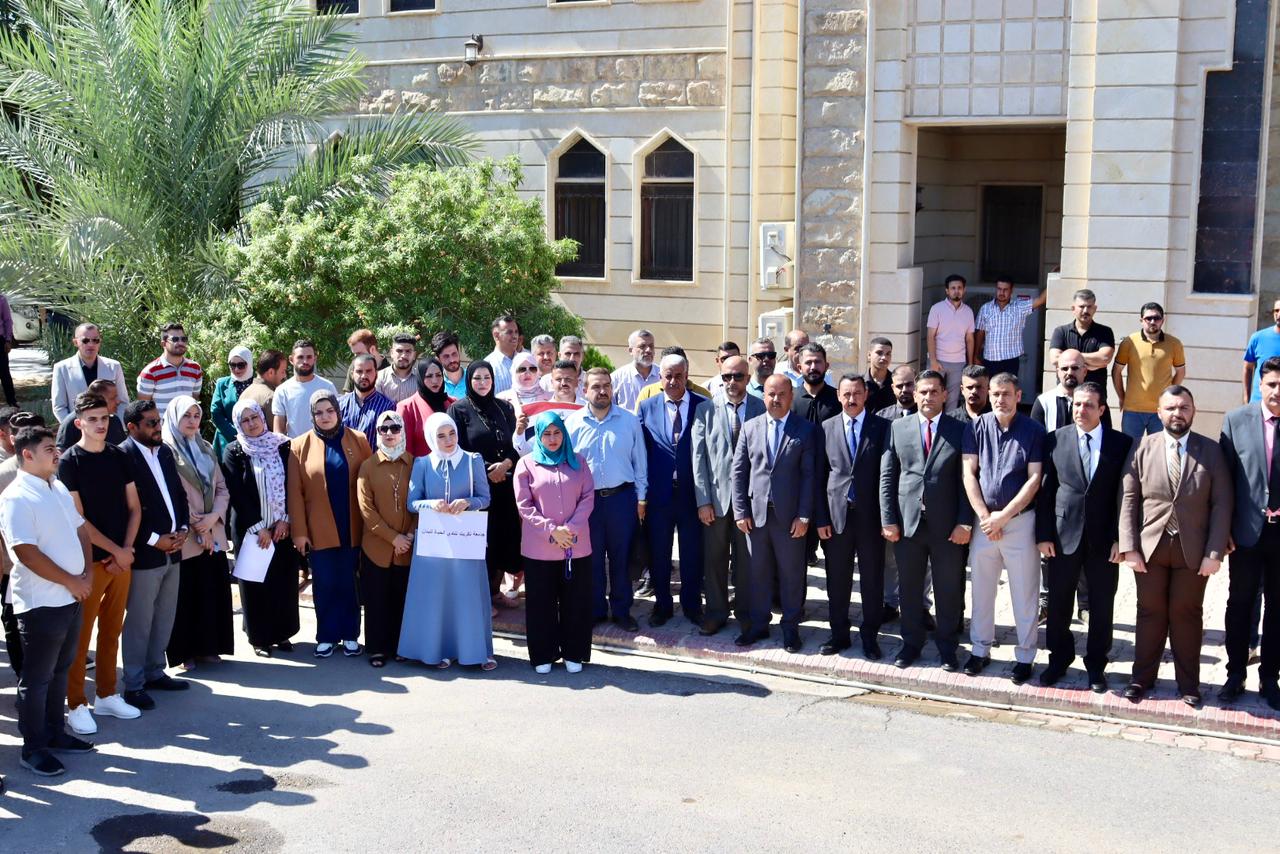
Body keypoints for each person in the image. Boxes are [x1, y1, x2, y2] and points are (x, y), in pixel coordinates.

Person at [1120, 385, 1231, 706]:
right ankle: (1141, 679)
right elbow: (1128, 498)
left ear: (1193, 411)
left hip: (1193, 551)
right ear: (1159, 413)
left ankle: (1189, 685)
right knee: (1149, 613)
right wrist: (1129, 546)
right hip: (1150, 548)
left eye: (1183, 408)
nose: (1177, 414)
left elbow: (1222, 503)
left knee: (1187, 615)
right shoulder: (1141, 447)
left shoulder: (1211, 451)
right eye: (1170, 408)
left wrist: (1214, 553)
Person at [1, 425, 96, 777]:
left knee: (61, 670)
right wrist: (72, 580)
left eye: (56, 447)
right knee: (37, 678)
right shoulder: (16, 496)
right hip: (41, 603)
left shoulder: (55, 487)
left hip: (72, 597)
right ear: (27, 454)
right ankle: (33, 748)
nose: (57, 453)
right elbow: (25, 552)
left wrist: (87, 574)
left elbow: (81, 530)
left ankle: (56, 732)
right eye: (48, 449)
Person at [1035, 382, 1134, 692]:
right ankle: (1058, 660)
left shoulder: (1121, 443)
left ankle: (1096, 666)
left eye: (1089, 405)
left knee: (1102, 605)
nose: (1081, 410)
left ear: (1102, 409)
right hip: (1063, 536)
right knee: (1059, 602)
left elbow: (1126, 495)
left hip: (1104, 540)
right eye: (1077, 404)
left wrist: (1121, 539)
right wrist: (1043, 535)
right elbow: (1046, 490)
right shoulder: (1055, 439)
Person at [58, 393, 142, 736]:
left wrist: (126, 549)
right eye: (92, 419)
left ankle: (107, 694)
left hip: (121, 559)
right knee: (81, 638)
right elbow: (78, 519)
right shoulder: (69, 462)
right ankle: (76, 703)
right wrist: (116, 551)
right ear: (79, 422)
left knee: (112, 630)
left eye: (104, 418)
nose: (100, 424)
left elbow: (134, 507)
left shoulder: (119, 456)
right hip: (88, 563)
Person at [880, 370, 972, 671]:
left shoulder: (960, 430)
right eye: (923, 392)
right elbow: (888, 476)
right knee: (909, 589)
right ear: (915, 394)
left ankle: (947, 648)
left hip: (947, 527)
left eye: (934, 391)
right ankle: (911, 644)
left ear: (945, 394)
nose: (928, 397)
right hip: (908, 524)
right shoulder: (898, 428)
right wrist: (888, 519)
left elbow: (967, 480)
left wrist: (964, 522)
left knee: (947, 590)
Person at [961, 372, 1045, 683]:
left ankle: (1025, 656)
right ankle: (980, 650)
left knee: (1024, 592)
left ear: (1018, 395)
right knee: (982, 590)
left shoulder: (1034, 431)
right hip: (984, 523)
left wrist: (1003, 517)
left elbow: (1034, 479)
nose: (1000, 399)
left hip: (1020, 523)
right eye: (995, 394)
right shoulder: (976, 427)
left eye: (1006, 393)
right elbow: (969, 474)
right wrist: (986, 517)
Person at [400, 412, 496, 670]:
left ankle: (477, 652)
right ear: (432, 438)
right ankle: (439, 650)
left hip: (466, 540)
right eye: (441, 436)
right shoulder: (422, 463)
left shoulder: (473, 460)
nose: (448, 440)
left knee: (467, 595)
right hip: (434, 542)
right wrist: (431, 504)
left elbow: (485, 498)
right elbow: (412, 503)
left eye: (452, 433)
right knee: (437, 597)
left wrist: (468, 502)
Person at [731, 374, 818, 652]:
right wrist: (740, 510)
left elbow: (810, 477)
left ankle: (790, 628)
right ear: (763, 396)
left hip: (790, 518)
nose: (776, 399)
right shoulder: (750, 427)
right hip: (756, 517)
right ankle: (759, 624)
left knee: (792, 575)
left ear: (791, 396)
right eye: (771, 394)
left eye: (781, 394)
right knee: (758, 573)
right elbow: (739, 471)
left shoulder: (805, 430)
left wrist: (804, 516)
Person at [287, 390, 371, 658]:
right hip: (318, 528)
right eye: (318, 412)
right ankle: (326, 635)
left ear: (338, 411)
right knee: (324, 583)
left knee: (349, 582)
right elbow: (295, 493)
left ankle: (350, 635)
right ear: (312, 416)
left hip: (352, 525)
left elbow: (369, 481)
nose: (325, 417)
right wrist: (299, 532)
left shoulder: (358, 439)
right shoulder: (299, 446)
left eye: (329, 411)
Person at [119, 400, 191, 711]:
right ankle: (134, 684)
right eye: (150, 423)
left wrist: (184, 527)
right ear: (131, 427)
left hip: (174, 548)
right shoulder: (122, 457)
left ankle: (154, 671)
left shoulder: (164, 452)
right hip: (146, 554)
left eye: (158, 421)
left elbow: (178, 494)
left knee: (164, 615)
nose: (157, 427)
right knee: (140, 620)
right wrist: (153, 540)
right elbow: (123, 510)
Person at [1218, 357, 1280, 709]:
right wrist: (1224, 529)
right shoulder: (1236, 420)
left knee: (1277, 609)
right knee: (1240, 604)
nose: (1277, 391)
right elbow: (1224, 480)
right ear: (1260, 385)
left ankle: (1270, 677)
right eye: (1272, 384)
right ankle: (1235, 673)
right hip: (1245, 533)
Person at [565, 368, 648, 631]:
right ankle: (596, 609)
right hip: (586, 503)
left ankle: (622, 611)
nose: (602, 391)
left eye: (606, 386)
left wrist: (641, 499)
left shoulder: (629, 421)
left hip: (621, 500)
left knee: (621, 557)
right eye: (596, 386)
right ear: (584, 390)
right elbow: (567, 467)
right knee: (591, 558)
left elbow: (640, 462)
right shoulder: (572, 424)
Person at [514, 411, 595, 674]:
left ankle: (574, 652)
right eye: (546, 434)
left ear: (564, 433)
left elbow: (588, 498)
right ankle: (543, 654)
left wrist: (569, 529)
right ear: (538, 436)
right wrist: (552, 530)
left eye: (557, 432)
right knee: (541, 604)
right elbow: (524, 506)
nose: (552, 439)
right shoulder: (526, 464)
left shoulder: (578, 462)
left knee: (576, 602)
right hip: (539, 549)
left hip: (576, 545)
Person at [816, 374, 890, 659]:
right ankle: (839, 634)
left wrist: (887, 519)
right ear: (838, 396)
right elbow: (819, 476)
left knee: (872, 580)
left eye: (857, 393)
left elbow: (888, 476)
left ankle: (870, 636)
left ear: (865, 395)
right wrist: (821, 518)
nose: (851, 399)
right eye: (846, 394)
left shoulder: (882, 427)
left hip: (871, 518)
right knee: (837, 579)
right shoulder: (826, 427)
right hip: (837, 516)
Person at [221, 399, 299, 657]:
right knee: (255, 584)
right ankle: (260, 638)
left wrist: (285, 519)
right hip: (251, 530)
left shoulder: (282, 445)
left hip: (282, 528)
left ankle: (282, 633)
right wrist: (258, 527)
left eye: (254, 417)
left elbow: (293, 484)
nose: (251, 424)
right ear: (238, 424)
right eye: (245, 420)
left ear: (262, 417)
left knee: (282, 582)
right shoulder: (235, 451)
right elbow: (237, 492)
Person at [160, 395, 233, 670]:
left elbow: (222, 487)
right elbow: (173, 493)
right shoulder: (166, 451)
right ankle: (185, 653)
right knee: (185, 593)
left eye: (196, 416)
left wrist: (213, 518)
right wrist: (198, 525)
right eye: (186, 416)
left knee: (210, 590)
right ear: (174, 417)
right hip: (186, 533)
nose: (192, 421)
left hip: (212, 528)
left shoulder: (205, 447)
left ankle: (208, 647)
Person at [691, 355, 762, 636]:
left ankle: (745, 612)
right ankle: (716, 612)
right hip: (716, 501)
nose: (732, 382)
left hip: (749, 501)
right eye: (726, 377)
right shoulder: (705, 409)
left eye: (738, 376)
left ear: (748, 378)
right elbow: (698, 458)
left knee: (747, 561)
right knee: (714, 560)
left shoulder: (760, 407)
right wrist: (703, 501)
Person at [637, 353, 706, 627]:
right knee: (659, 553)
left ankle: (692, 605)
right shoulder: (646, 407)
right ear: (660, 377)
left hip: (692, 493)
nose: (674, 381)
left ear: (687, 376)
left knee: (692, 553)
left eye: (679, 375)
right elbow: (640, 451)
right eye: (668, 376)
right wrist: (641, 495)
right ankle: (662, 605)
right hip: (659, 495)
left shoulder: (704, 406)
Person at [448, 361, 521, 611]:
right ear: (469, 381)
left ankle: (495, 591)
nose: (482, 383)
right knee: (482, 544)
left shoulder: (504, 407)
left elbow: (517, 443)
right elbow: (457, 449)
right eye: (477, 378)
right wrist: (489, 470)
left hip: (505, 485)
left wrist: (506, 464)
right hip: (477, 487)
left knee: (503, 539)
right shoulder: (458, 410)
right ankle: (480, 599)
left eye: (486, 377)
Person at [355, 410, 416, 668]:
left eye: (395, 428)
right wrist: (393, 538)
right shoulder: (367, 466)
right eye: (384, 429)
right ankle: (377, 649)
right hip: (377, 545)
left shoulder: (414, 464)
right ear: (377, 433)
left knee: (401, 599)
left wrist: (409, 535)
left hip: (407, 546)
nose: (390, 433)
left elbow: (421, 502)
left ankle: (400, 647)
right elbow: (366, 510)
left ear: (402, 431)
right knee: (377, 599)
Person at [1112, 302, 1186, 440]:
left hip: (1161, 410)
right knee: (1130, 449)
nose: (1153, 321)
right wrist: (1122, 397)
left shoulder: (1174, 343)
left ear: (1162, 320)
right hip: (1132, 410)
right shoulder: (1129, 342)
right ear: (1141, 320)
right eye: (1148, 318)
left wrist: (1169, 395)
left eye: (1156, 318)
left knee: (1159, 450)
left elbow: (1180, 372)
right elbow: (1116, 371)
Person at [51, 322, 129, 422]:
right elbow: (59, 407)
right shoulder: (62, 369)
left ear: (100, 342)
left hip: (109, 427)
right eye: (85, 340)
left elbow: (123, 402)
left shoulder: (114, 367)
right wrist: (76, 427)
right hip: (77, 428)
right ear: (75, 342)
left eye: (95, 340)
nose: (91, 344)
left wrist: (115, 425)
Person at [974, 276, 1046, 378]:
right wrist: (976, 355)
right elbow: (980, 333)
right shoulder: (985, 308)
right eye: (999, 289)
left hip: (1010, 360)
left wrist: (1054, 277)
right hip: (990, 359)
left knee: (1009, 387)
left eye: (1005, 290)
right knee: (990, 387)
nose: (1002, 292)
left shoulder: (1019, 307)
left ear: (1011, 291)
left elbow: (1041, 300)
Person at [1049, 288, 1116, 390]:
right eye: (1081, 306)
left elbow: (1105, 358)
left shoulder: (1105, 332)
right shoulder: (1061, 332)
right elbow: (1055, 359)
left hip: (1094, 394)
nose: (1085, 311)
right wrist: (1091, 364)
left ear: (1095, 308)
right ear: (1073, 308)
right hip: (1066, 393)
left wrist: (1069, 359)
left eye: (1089, 307)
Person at [926, 274, 975, 410]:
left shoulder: (968, 312)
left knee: (953, 399)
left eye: (959, 288)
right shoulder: (937, 309)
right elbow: (930, 336)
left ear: (964, 290)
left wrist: (970, 363)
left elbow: (970, 339)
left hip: (958, 362)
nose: (956, 291)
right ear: (947, 290)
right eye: (953, 288)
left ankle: (949, 423)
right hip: (938, 361)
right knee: (933, 395)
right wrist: (933, 361)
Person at [273, 339, 338, 439]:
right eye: (300, 357)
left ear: (315, 359)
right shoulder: (282, 390)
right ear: (291, 359)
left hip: (325, 445)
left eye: (309, 357)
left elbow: (338, 421)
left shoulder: (327, 387)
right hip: (294, 446)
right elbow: (278, 432)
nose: (305, 361)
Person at [135, 322, 203, 415]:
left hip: (189, 423)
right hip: (162, 424)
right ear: (163, 344)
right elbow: (143, 408)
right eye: (175, 339)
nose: (180, 342)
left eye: (183, 339)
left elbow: (194, 399)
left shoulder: (195, 369)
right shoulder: (150, 372)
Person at [398, 357, 454, 459]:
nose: (435, 380)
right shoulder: (407, 408)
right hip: (422, 467)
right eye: (429, 376)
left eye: (438, 375)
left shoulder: (453, 403)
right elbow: (405, 451)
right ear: (420, 378)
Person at [340, 354, 396, 447]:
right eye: (359, 371)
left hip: (373, 456)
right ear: (352, 374)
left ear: (376, 374)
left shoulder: (388, 407)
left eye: (368, 371)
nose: (363, 376)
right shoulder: (339, 405)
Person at [500, 351, 552, 452]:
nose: (527, 373)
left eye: (532, 369)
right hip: (511, 455)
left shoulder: (550, 397)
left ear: (538, 372)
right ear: (513, 371)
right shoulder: (501, 399)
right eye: (522, 369)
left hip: (546, 452)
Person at [210, 346, 255, 460]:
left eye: (241, 365)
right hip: (227, 440)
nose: (236, 369)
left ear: (249, 363)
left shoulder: (257, 384)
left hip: (254, 440)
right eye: (232, 365)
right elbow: (216, 412)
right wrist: (236, 434)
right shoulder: (222, 384)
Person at [57, 379, 126, 450]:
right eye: (113, 398)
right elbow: (62, 452)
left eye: (104, 419)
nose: (118, 401)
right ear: (99, 398)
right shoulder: (70, 423)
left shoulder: (115, 420)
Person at [1032, 348, 1086, 431]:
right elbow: (1035, 436)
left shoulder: (1095, 402)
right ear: (1057, 372)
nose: (1069, 372)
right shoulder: (1044, 402)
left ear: (1085, 371)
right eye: (1065, 368)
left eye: (1075, 368)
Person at [611, 328, 660, 411]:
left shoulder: (663, 376)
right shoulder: (617, 378)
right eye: (642, 346)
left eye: (651, 346)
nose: (648, 350)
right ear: (631, 351)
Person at [1244, 299, 1280, 403]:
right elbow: (1248, 368)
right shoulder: (1258, 338)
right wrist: (1246, 398)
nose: (1279, 314)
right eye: (1276, 310)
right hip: (1259, 403)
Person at [240, 349, 287, 427]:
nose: (284, 375)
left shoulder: (243, 395)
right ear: (271, 372)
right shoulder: (271, 397)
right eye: (283, 371)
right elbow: (278, 431)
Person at [484, 314, 525, 396]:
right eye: (509, 332)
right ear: (496, 335)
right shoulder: (487, 365)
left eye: (516, 332)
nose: (515, 336)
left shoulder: (527, 361)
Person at [375, 333, 419, 403]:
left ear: (414, 355)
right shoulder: (379, 377)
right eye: (399, 351)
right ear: (391, 353)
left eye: (408, 351)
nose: (403, 356)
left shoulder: (421, 379)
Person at [344, 329, 390, 393]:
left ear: (372, 349)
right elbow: (348, 394)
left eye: (359, 353)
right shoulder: (354, 366)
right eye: (354, 354)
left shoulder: (389, 371)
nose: (356, 358)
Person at [431, 331, 467, 400]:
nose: (452, 360)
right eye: (446, 356)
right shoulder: (435, 384)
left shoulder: (472, 379)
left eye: (454, 354)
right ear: (438, 359)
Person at [864, 337, 895, 413]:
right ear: (869, 355)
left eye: (888, 354)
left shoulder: (896, 383)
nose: (884, 357)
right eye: (879, 353)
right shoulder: (860, 384)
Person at [0, 293, 16, 406]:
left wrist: (8, 340)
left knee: (4, 372)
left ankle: (12, 402)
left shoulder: (1, 299)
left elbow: (7, 320)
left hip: (0, 340)